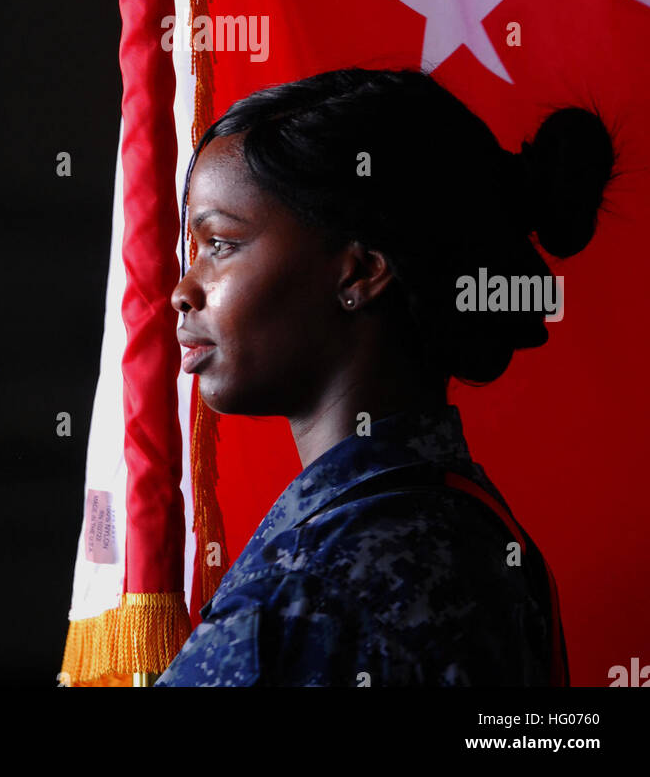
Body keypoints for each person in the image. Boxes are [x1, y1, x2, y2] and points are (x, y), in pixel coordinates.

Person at [153, 66, 616, 687]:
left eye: (221, 244)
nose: (184, 291)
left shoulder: (321, 583)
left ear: (360, 273)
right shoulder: (469, 529)